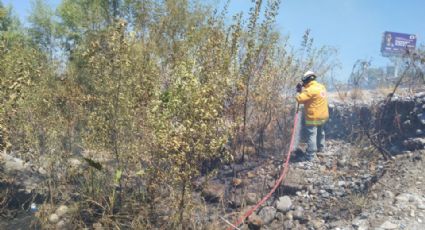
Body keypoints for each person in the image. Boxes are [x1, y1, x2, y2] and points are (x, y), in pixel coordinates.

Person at [295, 70, 329, 161]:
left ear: (306, 80)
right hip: (323, 116)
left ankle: (311, 154)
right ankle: (321, 149)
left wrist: (298, 91)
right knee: (321, 133)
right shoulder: (321, 87)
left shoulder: (310, 90)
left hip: (313, 117)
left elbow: (299, 99)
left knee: (312, 135)